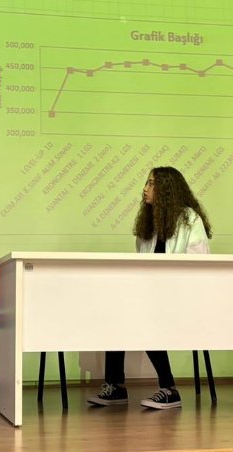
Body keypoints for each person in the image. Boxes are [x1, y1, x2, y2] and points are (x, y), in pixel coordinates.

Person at [87, 166, 212, 410]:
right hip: (153, 298)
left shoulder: (190, 220)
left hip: (182, 299)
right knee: (118, 312)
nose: (145, 189)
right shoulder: (149, 225)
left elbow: (199, 266)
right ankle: (116, 385)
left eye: (151, 184)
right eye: (147, 183)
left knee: (145, 315)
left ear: (166, 190)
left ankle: (169, 389)